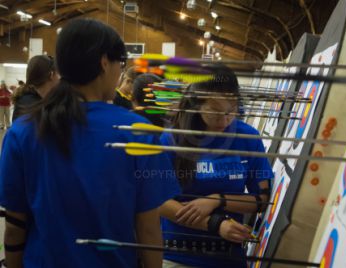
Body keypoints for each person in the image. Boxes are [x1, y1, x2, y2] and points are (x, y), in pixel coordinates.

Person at [0, 18, 179, 268]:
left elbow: (15, 225)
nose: (120, 73)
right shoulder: (139, 133)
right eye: (121, 64)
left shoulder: (22, 132)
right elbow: (148, 230)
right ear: (104, 62)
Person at [159, 65, 274, 268]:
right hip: (177, 257)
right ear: (196, 105)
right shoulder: (171, 139)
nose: (224, 120)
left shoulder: (248, 137)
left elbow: (262, 200)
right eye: (214, 111)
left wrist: (217, 201)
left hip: (229, 256)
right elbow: (160, 201)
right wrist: (215, 224)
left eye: (231, 111)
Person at [12, 55, 59, 121]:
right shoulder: (38, 107)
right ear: (51, 75)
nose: (59, 79)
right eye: (57, 74)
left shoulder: (24, 100)